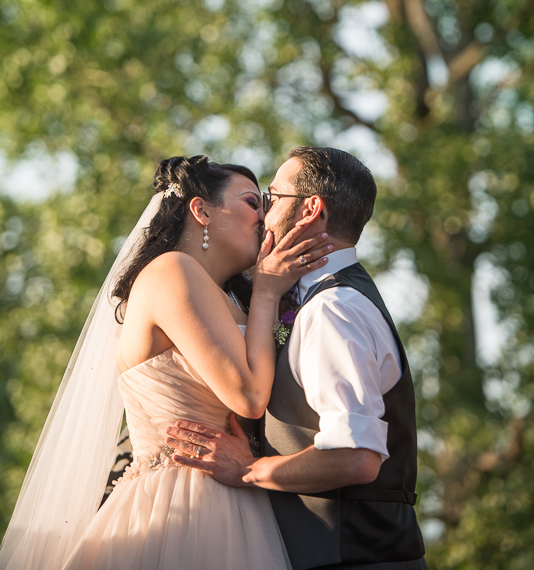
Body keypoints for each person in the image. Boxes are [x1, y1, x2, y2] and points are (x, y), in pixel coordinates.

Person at [0, 154, 332, 570]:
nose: (265, 218)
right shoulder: (172, 272)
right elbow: (248, 396)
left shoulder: (225, 298)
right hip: (182, 505)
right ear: (201, 210)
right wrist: (266, 293)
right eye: (252, 202)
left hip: (234, 495)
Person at [166, 147, 428, 570]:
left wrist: (249, 471)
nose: (264, 214)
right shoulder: (319, 300)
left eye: (272, 198)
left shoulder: (333, 309)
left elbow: (355, 457)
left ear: (310, 210)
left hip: (355, 558)